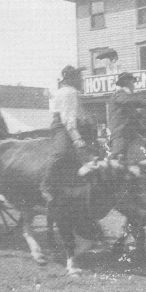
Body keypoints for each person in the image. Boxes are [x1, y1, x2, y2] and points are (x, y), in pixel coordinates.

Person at [40, 65, 95, 203]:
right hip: (62, 126)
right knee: (62, 152)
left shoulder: (72, 92)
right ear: (72, 79)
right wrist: (77, 139)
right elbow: (68, 119)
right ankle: (45, 185)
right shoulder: (69, 92)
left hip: (71, 124)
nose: (81, 80)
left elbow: (78, 113)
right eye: (79, 77)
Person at [107, 72, 146, 162]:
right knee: (117, 164)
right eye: (133, 83)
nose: (134, 86)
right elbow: (128, 101)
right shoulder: (119, 95)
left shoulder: (128, 100)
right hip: (121, 136)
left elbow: (135, 123)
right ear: (127, 83)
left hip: (131, 136)